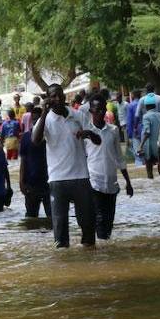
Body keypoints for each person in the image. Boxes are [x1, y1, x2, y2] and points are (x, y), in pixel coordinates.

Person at [32, 83, 99, 248]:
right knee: (60, 234)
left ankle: (90, 261)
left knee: (88, 228)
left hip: (81, 177)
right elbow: (35, 140)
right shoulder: (45, 120)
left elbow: (98, 140)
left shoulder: (78, 116)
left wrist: (88, 133)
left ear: (64, 95)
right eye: (53, 96)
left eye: (59, 94)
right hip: (57, 180)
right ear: (48, 99)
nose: (57, 98)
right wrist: (44, 113)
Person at [85, 96, 134, 240]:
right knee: (99, 217)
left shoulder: (113, 130)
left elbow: (119, 157)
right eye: (97, 109)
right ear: (91, 111)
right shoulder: (86, 132)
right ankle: (101, 250)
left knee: (109, 219)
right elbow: (81, 157)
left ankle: (105, 247)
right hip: (94, 182)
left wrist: (128, 182)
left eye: (102, 109)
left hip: (111, 182)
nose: (100, 112)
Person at [18, 106, 51, 218]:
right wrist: (21, 181)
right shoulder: (26, 137)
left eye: (40, 120)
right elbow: (23, 160)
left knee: (52, 216)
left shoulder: (50, 136)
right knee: (31, 217)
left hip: (49, 182)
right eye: (35, 120)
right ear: (31, 121)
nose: (37, 123)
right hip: (31, 183)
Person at [138, 95, 160, 179]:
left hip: (150, 149)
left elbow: (147, 132)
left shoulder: (146, 116)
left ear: (146, 107)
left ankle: (150, 179)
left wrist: (140, 146)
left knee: (149, 172)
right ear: (155, 105)